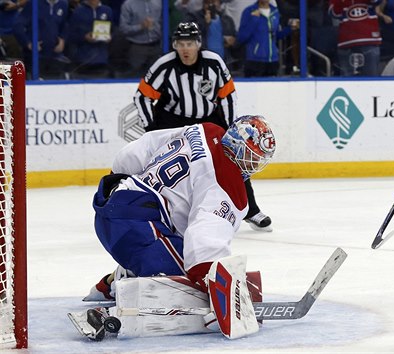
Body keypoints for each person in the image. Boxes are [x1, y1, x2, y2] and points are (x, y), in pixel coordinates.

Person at [81, 115, 275, 339]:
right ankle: (109, 313)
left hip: (113, 202)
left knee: (178, 252)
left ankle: (110, 283)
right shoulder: (227, 181)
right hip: (138, 226)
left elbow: (145, 146)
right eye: (251, 157)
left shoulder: (206, 130)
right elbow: (205, 240)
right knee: (182, 284)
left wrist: (120, 173)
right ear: (238, 147)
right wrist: (214, 291)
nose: (253, 165)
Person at [132, 22, 273, 232]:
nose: (185, 49)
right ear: (174, 45)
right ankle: (149, 209)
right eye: (180, 44)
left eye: (189, 43)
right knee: (161, 164)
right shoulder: (164, 65)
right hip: (173, 120)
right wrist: (151, 129)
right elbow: (142, 96)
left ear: (198, 44)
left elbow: (228, 97)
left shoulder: (214, 63)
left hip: (208, 119)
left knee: (233, 159)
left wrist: (228, 127)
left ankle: (251, 210)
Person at [237, 0, 297, 77]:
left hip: (273, 61)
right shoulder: (249, 11)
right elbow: (241, 37)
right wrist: (254, 20)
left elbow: (277, 35)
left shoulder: (275, 12)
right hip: (255, 60)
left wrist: (290, 28)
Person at [329, 0, 382, 76]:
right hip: (346, 42)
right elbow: (334, 14)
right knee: (347, 82)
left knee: (370, 80)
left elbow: (377, 1)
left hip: (369, 40)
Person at [118, 0, 162, 77]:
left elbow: (162, 21)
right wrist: (141, 26)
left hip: (156, 46)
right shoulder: (128, 4)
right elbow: (123, 28)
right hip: (137, 48)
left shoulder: (159, 2)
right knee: (134, 76)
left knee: (157, 76)